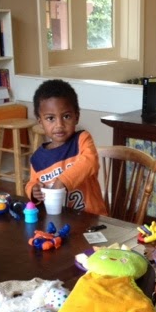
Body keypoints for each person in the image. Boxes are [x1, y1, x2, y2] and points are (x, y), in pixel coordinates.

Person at [25, 79, 107, 216]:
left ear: (76, 117)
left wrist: (62, 181)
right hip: (59, 220)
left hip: (92, 218)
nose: (59, 125)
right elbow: (32, 182)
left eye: (66, 116)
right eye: (50, 118)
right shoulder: (38, 159)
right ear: (40, 122)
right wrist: (33, 191)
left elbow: (90, 162)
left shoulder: (82, 140)